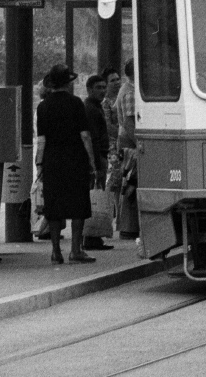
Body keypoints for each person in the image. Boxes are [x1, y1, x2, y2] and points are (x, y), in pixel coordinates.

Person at [35, 64, 96, 264]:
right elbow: (85, 136)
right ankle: (75, 250)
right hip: (75, 158)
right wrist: (91, 161)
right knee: (79, 204)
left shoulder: (43, 106)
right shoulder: (76, 103)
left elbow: (41, 139)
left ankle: (55, 251)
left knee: (53, 205)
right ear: (68, 83)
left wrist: (39, 163)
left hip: (52, 160)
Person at [109, 60, 141, 255]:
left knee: (129, 182)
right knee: (131, 182)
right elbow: (129, 122)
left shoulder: (125, 89)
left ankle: (128, 226)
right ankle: (129, 227)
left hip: (125, 141)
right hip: (130, 142)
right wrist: (139, 144)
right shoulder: (130, 92)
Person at [81, 74, 115, 250]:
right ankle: (91, 237)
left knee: (94, 196)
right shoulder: (92, 110)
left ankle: (93, 236)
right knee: (95, 195)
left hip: (98, 156)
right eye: (98, 88)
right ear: (89, 90)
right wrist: (95, 164)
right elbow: (92, 138)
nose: (103, 91)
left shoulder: (94, 107)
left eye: (104, 87)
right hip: (97, 156)